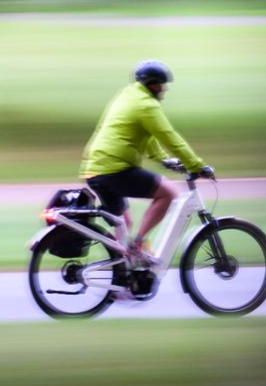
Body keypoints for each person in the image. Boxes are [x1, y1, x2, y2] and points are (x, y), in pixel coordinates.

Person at [80, 60, 214, 263]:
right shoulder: (147, 105)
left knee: (123, 224)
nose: (165, 89)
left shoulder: (128, 95)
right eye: (161, 84)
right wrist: (197, 166)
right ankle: (138, 246)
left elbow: (146, 134)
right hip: (114, 170)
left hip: (95, 170)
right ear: (152, 84)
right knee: (168, 193)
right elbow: (170, 138)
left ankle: (121, 273)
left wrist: (163, 159)